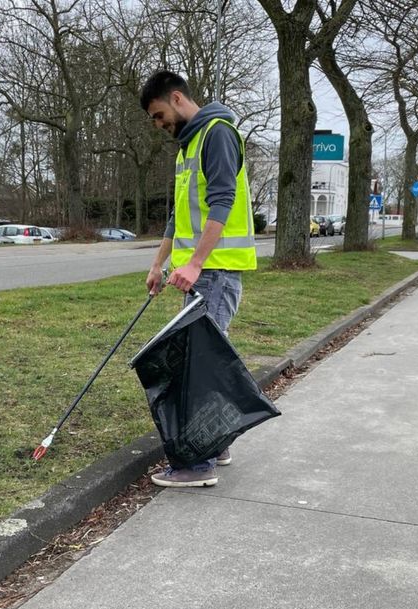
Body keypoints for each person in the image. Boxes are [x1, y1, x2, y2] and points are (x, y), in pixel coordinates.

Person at [139, 70, 257, 488]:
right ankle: (217, 444)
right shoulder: (187, 147)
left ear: (176, 98)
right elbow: (179, 214)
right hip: (197, 276)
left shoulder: (217, 134)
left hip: (215, 272)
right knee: (201, 359)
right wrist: (159, 264)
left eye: (158, 115)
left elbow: (222, 200)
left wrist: (196, 264)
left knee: (199, 366)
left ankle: (198, 464)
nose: (158, 125)